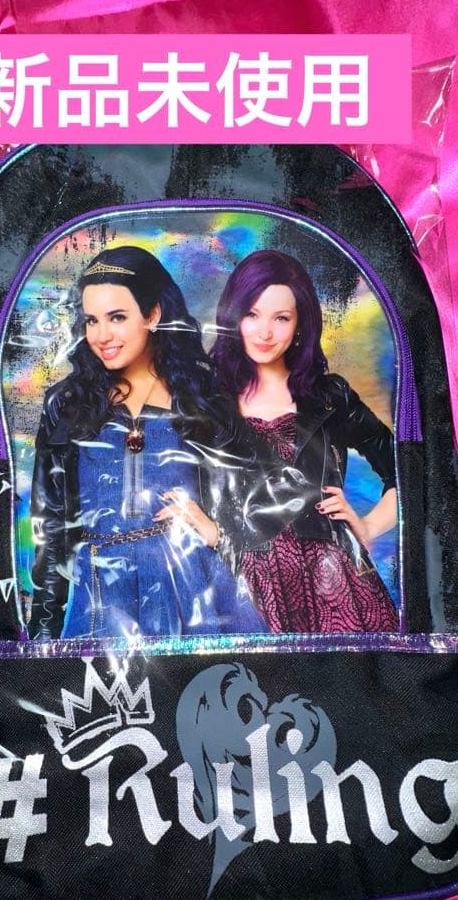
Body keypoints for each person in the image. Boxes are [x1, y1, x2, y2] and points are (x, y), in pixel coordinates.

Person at [28, 245, 287, 641]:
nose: (101, 336)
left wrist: (218, 533)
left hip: (196, 597)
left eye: (117, 317)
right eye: (92, 320)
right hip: (102, 599)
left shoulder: (201, 396)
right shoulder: (66, 404)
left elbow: (272, 492)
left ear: (153, 315)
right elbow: (50, 528)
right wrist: (42, 639)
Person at [211, 249, 399, 633]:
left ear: (300, 324)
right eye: (252, 314)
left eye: (281, 318)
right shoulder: (208, 398)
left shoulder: (330, 396)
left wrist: (368, 526)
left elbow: (408, 469)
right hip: (242, 581)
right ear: (234, 317)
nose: (265, 332)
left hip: (334, 581)